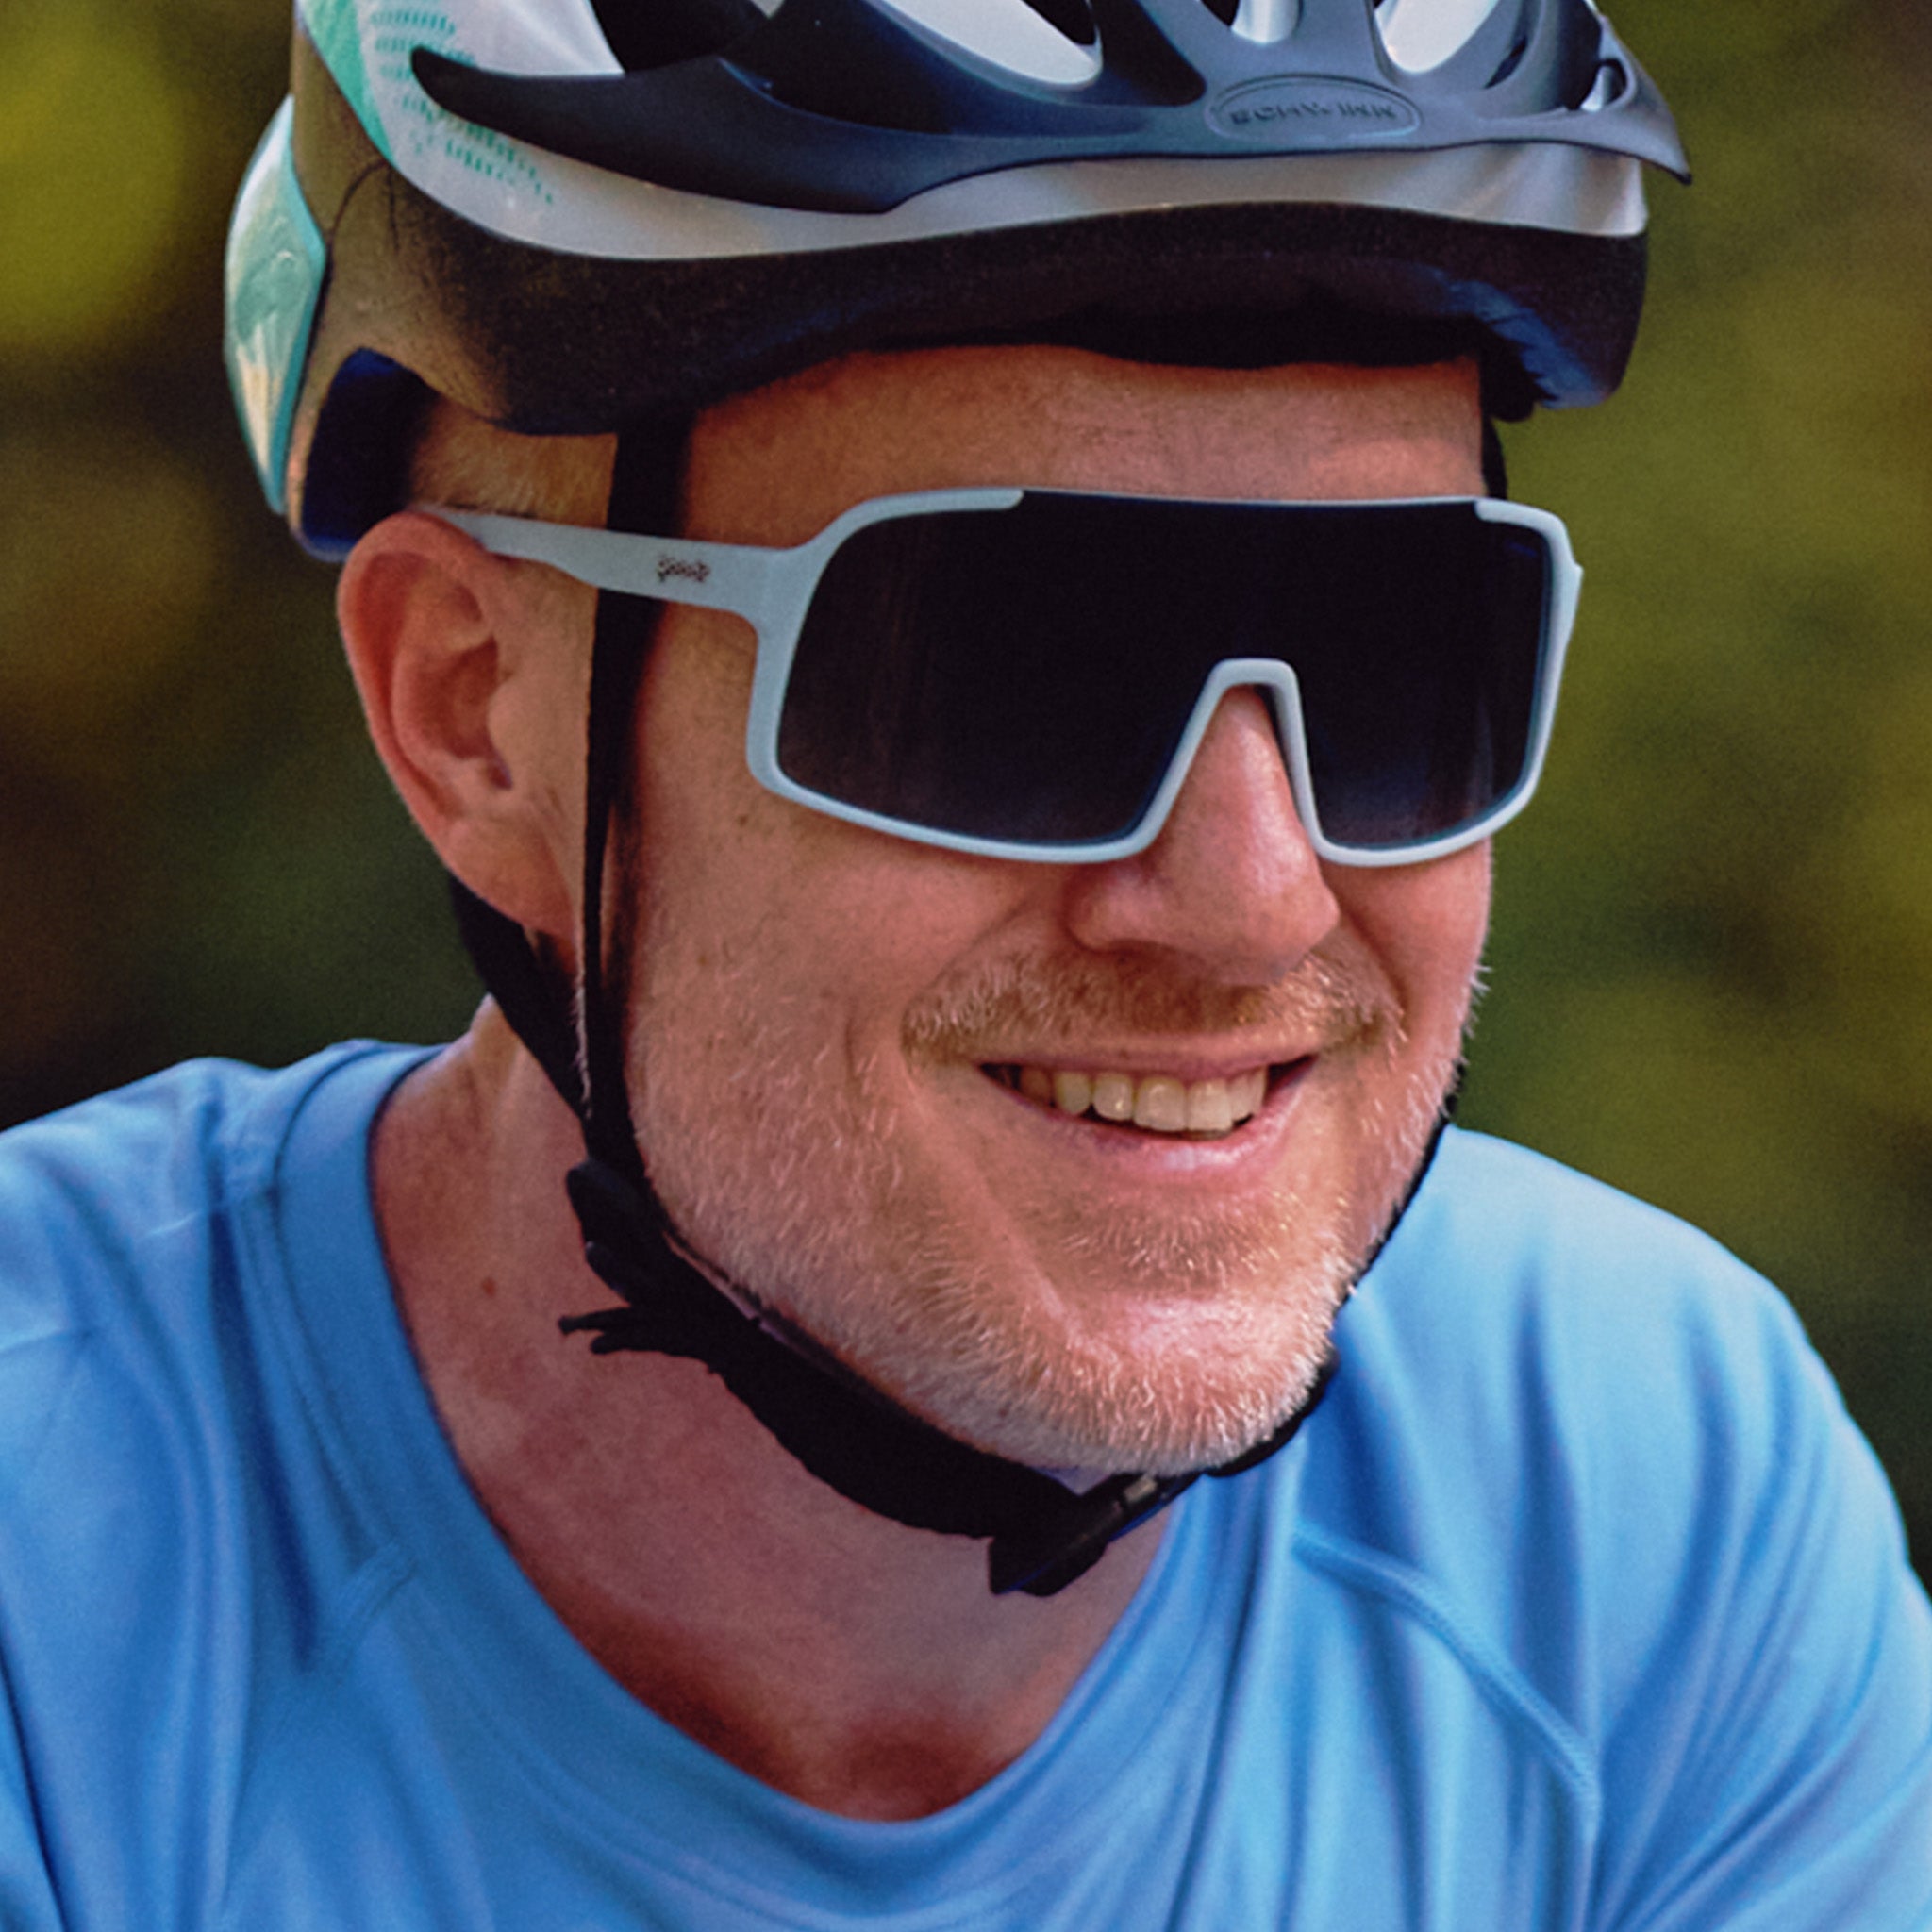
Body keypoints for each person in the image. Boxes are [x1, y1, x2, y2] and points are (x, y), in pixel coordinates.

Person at [3, 0, 1928, 1923]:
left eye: (1399, 658)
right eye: (1008, 671)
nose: (1254, 896)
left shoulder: (1641, 1504)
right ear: (473, 710)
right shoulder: (49, 1557)